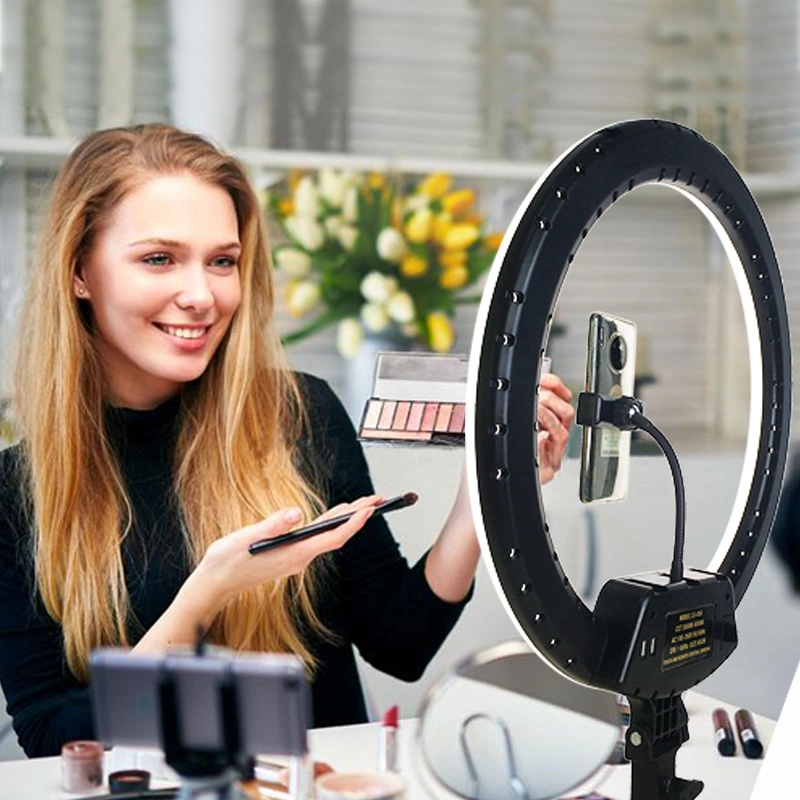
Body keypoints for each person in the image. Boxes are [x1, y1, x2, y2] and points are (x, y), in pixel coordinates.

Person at [0, 124, 575, 758]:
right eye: (159, 258)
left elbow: (400, 642)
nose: (201, 295)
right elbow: (52, 741)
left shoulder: (299, 414)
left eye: (223, 261)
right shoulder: (13, 494)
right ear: (80, 271)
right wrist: (209, 590)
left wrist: (483, 482)